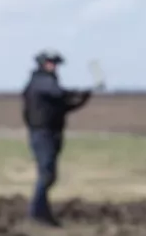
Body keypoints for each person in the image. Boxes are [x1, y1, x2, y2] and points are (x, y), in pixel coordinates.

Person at [21, 49, 93, 226]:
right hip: (42, 133)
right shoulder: (40, 81)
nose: (53, 66)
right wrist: (76, 93)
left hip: (52, 133)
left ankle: (42, 213)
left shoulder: (49, 83)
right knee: (46, 174)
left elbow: (63, 105)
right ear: (41, 63)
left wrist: (83, 98)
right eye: (50, 63)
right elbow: (59, 93)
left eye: (55, 63)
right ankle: (37, 213)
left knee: (49, 175)